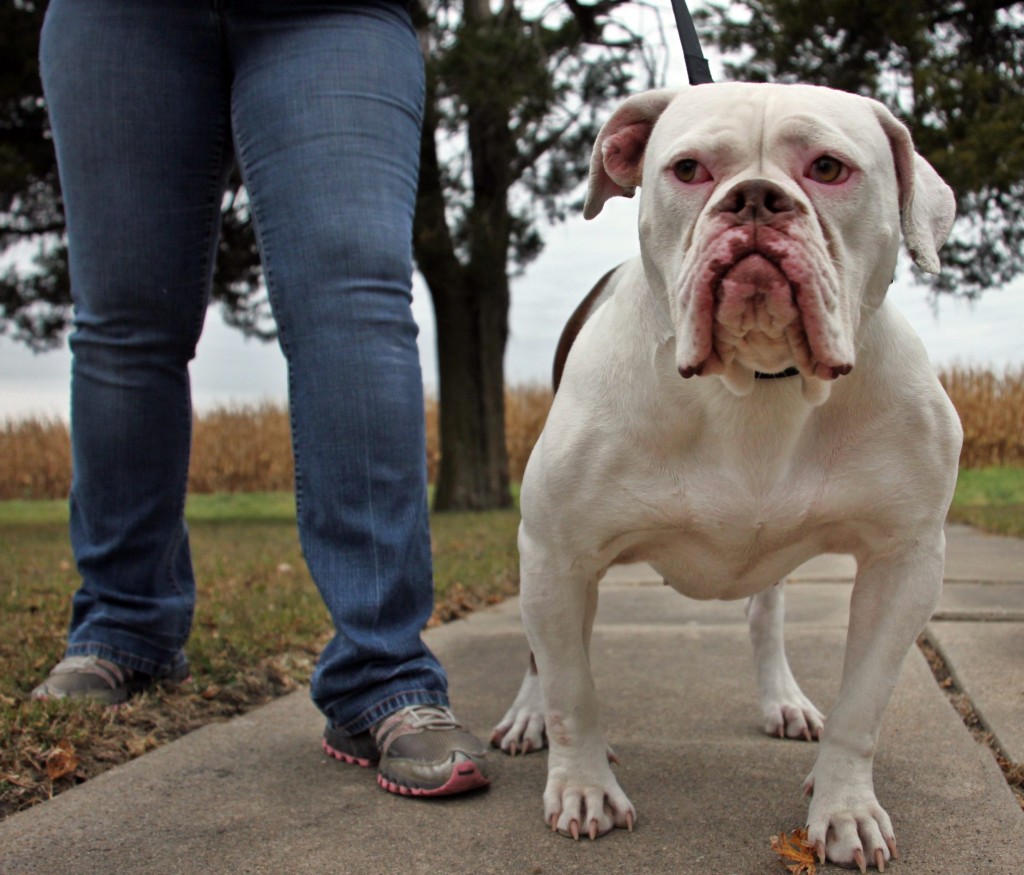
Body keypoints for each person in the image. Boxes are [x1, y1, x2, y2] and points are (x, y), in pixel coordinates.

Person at [30, 0, 491, 798]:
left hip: (333, 11)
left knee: (353, 304)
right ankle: (124, 621)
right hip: (118, 18)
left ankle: (381, 671)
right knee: (124, 323)